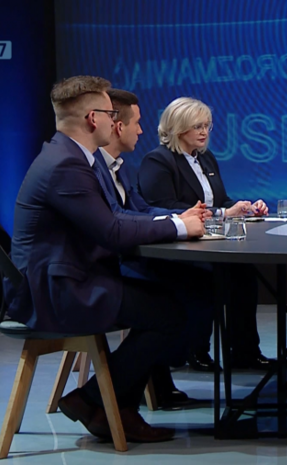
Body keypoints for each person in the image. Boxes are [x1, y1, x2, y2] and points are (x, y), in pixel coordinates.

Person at [3, 75, 204, 442]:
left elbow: (114, 219)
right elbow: (111, 231)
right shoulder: (66, 165)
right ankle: (93, 400)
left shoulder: (69, 157)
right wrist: (178, 226)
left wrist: (175, 222)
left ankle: (111, 409)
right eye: (111, 115)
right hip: (56, 291)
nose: (116, 123)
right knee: (168, 313)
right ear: (93, 119)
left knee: (169, 301)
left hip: (67, 279)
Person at [93, 88, 212, 407]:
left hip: (117, 261)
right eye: (137, 123)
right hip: (100, 272)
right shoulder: (92, 169)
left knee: (195, 281)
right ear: (118, 126)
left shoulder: (117, 166)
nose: (142, 131)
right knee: (175, 297)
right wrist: (178, 225)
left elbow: (141, 210)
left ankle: (151, 388)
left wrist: (180, 217)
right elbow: (116, 221)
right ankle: (110, 398)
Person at [137, 97, 272, 370]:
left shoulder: (205, 158)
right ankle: (194, 350)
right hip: (175, 248)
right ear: (178, 128)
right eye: (197, 126)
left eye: (207, 126)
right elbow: (162, 207)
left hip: (208, 242)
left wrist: (243, 207)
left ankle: (244, 352)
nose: (204, 132)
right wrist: (223, 212)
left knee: (244, 273)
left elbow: (219, 201)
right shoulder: (158, 161)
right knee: (209, 277)